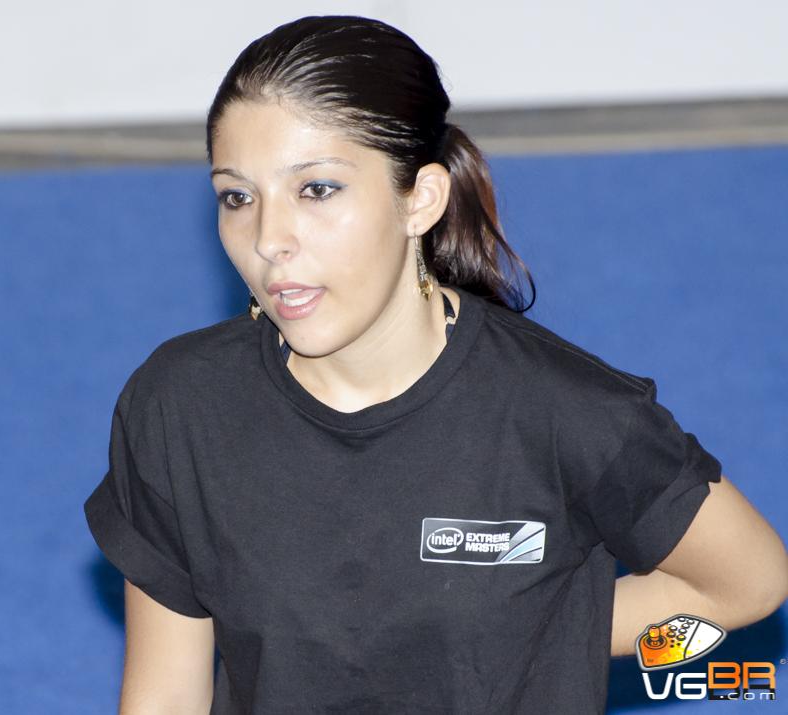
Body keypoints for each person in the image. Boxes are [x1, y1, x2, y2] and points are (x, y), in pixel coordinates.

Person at [83, 15, 788, 714]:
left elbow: (746, 588)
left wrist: (557, 636)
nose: (269, 239)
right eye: (238, 197)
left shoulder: (566, 413)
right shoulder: (180, 408)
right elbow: (165, 695)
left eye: (317, 189)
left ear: (419, 199)